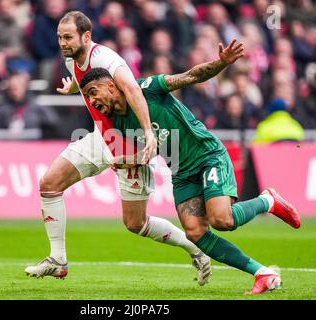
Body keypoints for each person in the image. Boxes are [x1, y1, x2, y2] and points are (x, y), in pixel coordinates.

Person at [78, 39, 302, 294]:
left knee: (222, 220)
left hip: (206, 155)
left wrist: (221, 63)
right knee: (195, 232)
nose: (92, 100)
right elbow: (146, 153)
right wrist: (121, 161)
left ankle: (267, 201)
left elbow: (190, 76)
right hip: (181, 173)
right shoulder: (117, 123)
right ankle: (263, 273)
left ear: (111, 85)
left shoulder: (146, 88)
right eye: (87, 96)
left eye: (94, 92)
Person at [24, 11, 212, 286]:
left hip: (129, 144)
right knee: (49, 183)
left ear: (86, 37)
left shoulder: (107, 58)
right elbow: (85, 78)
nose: (62, 43)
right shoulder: (71, 61)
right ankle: (58, 260)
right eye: (59, 37)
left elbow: (133, 89)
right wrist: (73, 87)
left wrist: (148, 134)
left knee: (136, 224)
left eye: (68, 37)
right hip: (101, 139)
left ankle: (196, 250)